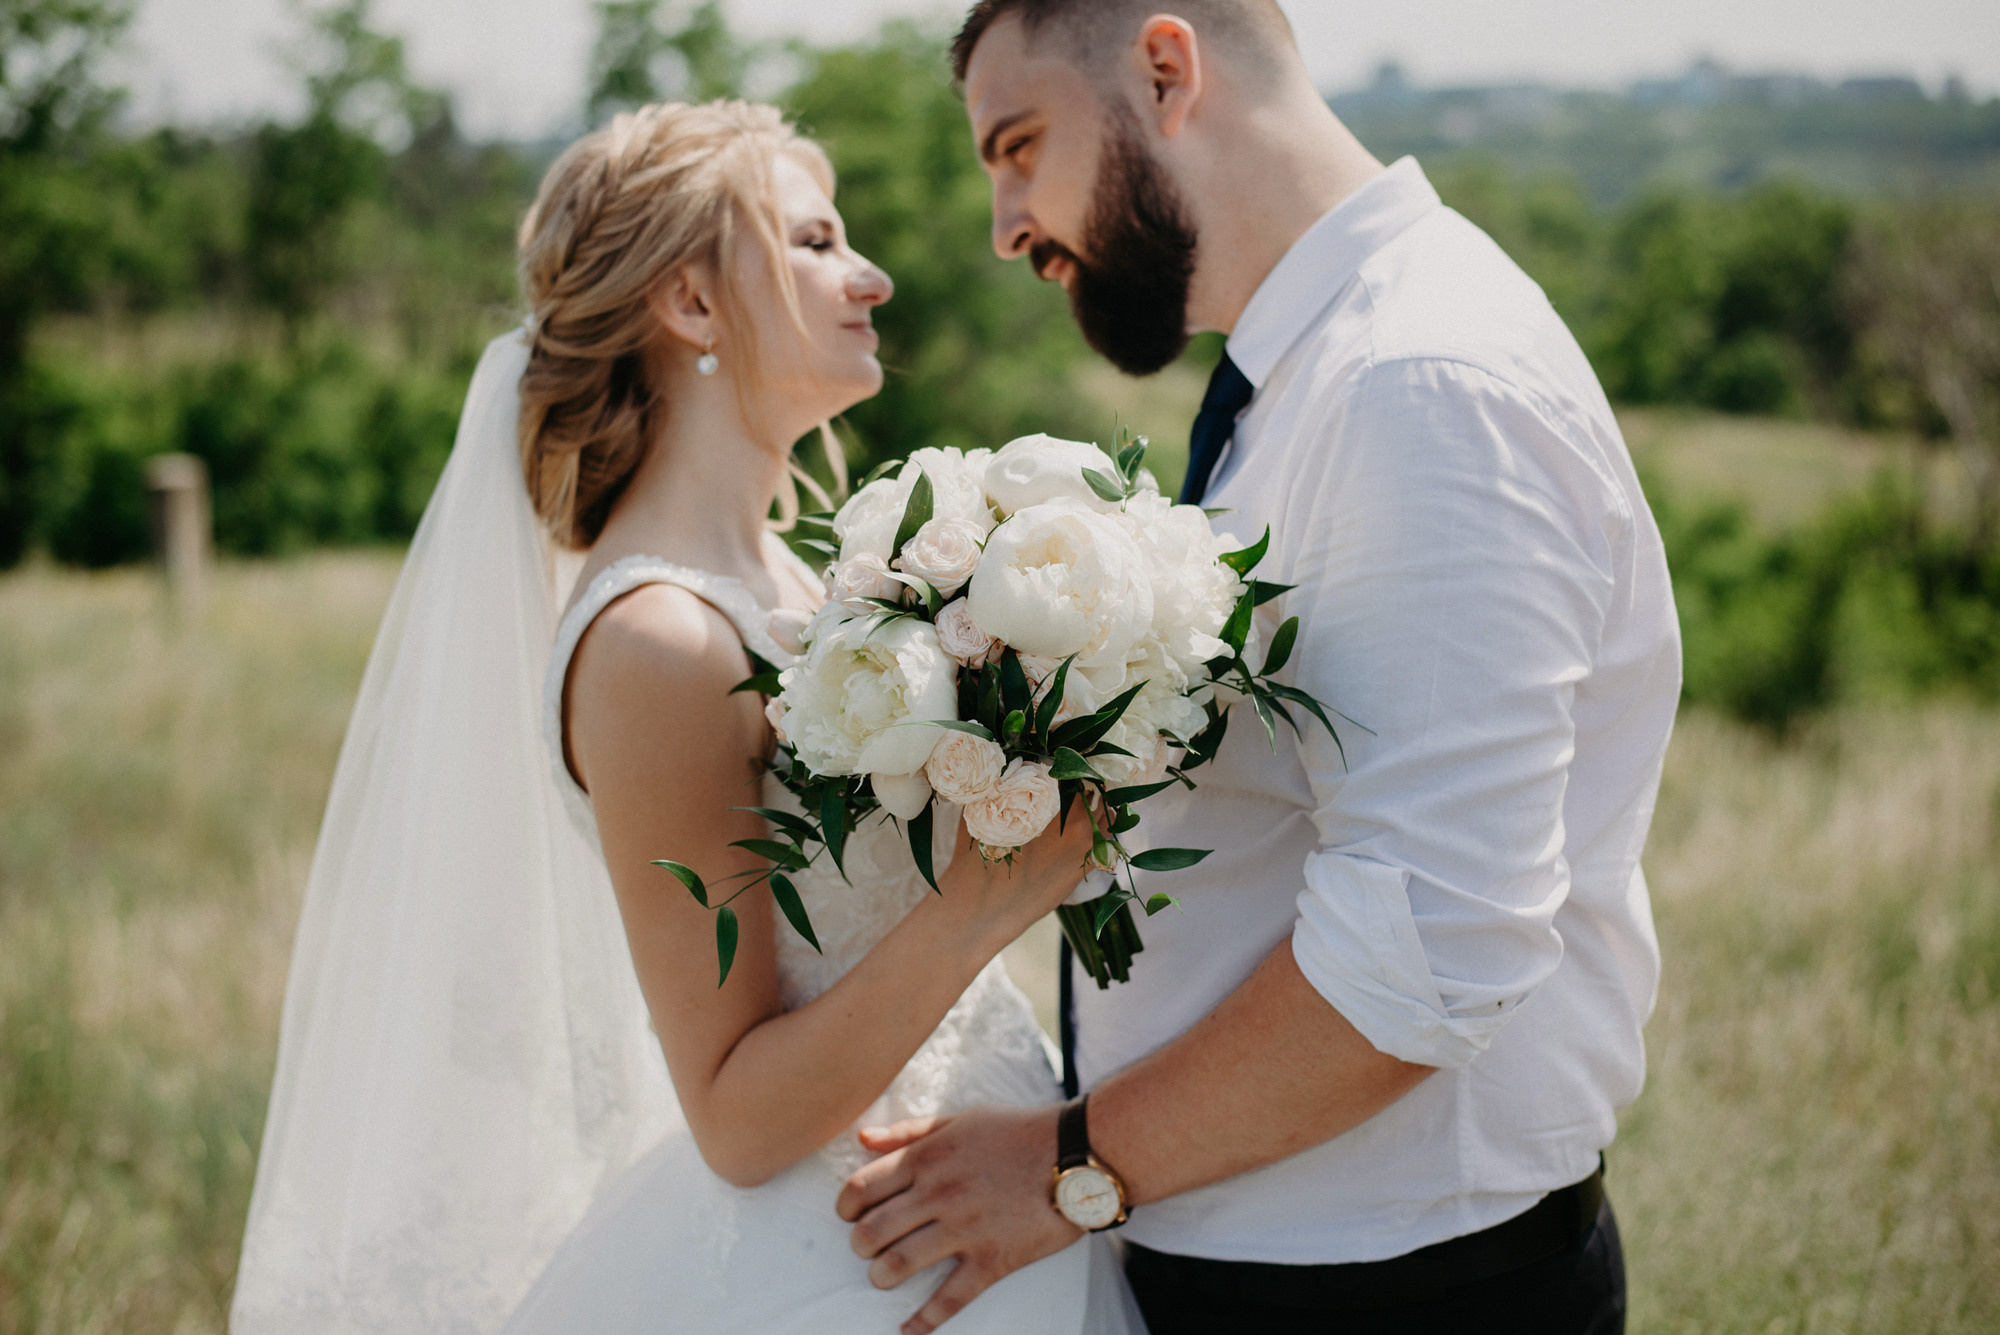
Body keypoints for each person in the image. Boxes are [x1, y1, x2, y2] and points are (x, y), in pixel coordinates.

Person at [230, 100, 1142, 1334]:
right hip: (842, 1268)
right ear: (693, 304)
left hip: (963, 1202)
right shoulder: (656, 641)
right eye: (815, 242)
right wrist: (987, 900)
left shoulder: (798, 580)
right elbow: (737, 1120)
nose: (871, 277)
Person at [836, 4, 1681, 1333]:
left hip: (1397, 1297)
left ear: (1165, 71)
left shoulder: (1419, 382)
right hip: (1267, 1264)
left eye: (1020, 144)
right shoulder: (1312, 374)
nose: (1005, 224)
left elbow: (1430, 948)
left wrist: (1063, 1166)